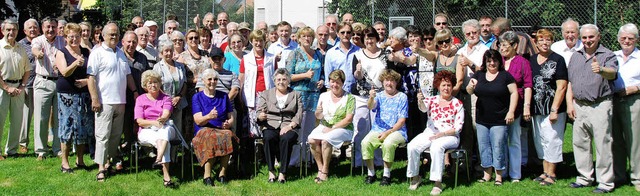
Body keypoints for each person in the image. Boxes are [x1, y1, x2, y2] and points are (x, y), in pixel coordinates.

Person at [566, 24, 618, 194]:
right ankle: (584, 178)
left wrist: (601, 70)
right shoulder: (576, 56)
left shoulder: (607, 54)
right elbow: (570, 83)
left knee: (603, 144)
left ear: (598, 37)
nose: (588, 40)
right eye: (585, 37)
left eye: (591, 37)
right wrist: (569, 104)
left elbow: (613, 73)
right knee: (580, 143)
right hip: (579, 105)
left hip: (600, 105)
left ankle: (605, 182)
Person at [87, 23, 138, 182]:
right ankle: (101, 168)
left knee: (115, 135)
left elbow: (128, 76)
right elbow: (91, 78)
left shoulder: (121, 54)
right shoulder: (97, 53)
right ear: (103, 35)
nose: (114, 37)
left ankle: (109, 159)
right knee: (102, 135)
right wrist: (95, 98)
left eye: (116, 34)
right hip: (104, 102)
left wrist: (135, 92)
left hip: (120, 101)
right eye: (111, 34)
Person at [466, 49, 518, 186]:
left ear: (499, 62)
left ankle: (499, 176)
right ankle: (487, 174)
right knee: (483, 147)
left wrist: (511, 111)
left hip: (499, 118)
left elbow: (514, 93)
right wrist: (471, 86)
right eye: (489, 61)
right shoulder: (479, 74)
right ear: (485, 62)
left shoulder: (505, 76)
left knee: (498, 146)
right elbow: (469, 91)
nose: (492, 63)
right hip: (482, 118)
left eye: (494, 60)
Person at [407, 70, 464, 195]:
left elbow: (458, 128)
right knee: (412, 146)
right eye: (443, 85)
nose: (446, 88)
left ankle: (437, 183)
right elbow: (422, 108)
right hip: (430, 133)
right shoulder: (431, 100)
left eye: (449, 85)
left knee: (437, 147)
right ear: (438, 86)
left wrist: (442, 134)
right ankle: (415, 177)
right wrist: (420, 100)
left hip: (450, 136)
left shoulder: (457, 104)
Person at [528, 29, 568, 186]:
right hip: (536, 107)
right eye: (541, 40)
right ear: (536, 43)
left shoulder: (558, 60)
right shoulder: (532, 60)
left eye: (547, 40)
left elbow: (562, 86)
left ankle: (552, 173)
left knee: (552, 139)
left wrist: (554, 109)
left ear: (552, 41)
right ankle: (544, 172)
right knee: (541, 140)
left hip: (552, 107)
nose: (544, 43)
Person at [55, 22, 93, 173]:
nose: (74, 39)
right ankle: (65, 162)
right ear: (65, 37)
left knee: (83, 126)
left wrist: (86, 82)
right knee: (67, 127)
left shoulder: (86, 51)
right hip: (67, 96)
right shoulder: (61, 52)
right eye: (71, 37)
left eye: (77, 36)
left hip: (83, 95)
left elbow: (92, 72)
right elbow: (64, 72)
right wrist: (76, 63)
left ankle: (80, 160)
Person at [285, 27, 324, 167]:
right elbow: (287, 76)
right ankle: (294, 160)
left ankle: (307, 159)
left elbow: (323, 72)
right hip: (298, 96)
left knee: (310, 129)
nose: (307, 38)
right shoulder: (294, 54)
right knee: (297, 129)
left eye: (309, 36)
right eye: (304, 36)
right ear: (299, 38)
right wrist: (304, 76)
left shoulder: (318, 55)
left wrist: (322, 81)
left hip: (314, 96)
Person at [308, 70, 355, 183]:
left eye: (337, 82)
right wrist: (318, 113)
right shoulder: (323, 96)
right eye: (332, 82)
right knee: (311, 140)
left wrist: (333, 128)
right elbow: (319, 116)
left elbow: (348, 119)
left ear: (342, 83)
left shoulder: (349, 98)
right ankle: (320, 167)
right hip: (324, 125)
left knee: (326, 140)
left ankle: (325, 171)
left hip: (343, 128)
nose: (334, 85)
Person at [362, 69, 408, 186]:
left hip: (397, 131)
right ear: (382, 82)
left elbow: (402, 120)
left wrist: (388, 132)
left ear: (396, 82)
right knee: (365, 142)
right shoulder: (379, 96)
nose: (389, 83)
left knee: (388, 143)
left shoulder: (402, 97)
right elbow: (370, 106)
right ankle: (371, 173)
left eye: (392, 81)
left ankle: (386, 175)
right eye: (387, 80)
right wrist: (371, 98)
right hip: (378, 129)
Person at [257, 68, 303, 183]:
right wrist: (260, 116)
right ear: (274, 81)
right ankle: (271, 171)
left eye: (284, 79)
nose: (281, 82)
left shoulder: (296, 95)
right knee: (268, 137)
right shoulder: (266, 94)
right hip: (270, 124)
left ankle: (283, 173)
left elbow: (299, 114)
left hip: (289, 125)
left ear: (288, 81)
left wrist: (290, 126)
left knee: (286, 139)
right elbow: (259, 111)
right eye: (278, 79)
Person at [498, 31, 533, 182]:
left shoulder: (522, 62)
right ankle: (502, 172)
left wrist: (526, 106)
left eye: (505, 45)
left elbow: (528, 85)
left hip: (516, 106)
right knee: (500, 140)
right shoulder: (497, 60)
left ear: (515, 46)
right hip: (498, 106)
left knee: (514, 139)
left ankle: (515, 174)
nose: (502, 48)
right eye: (501, 45)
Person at [191, 69, 236, 186]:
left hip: (221, 128)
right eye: (209, 79)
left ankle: (222, 174)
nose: (212, 82)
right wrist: (209, 116)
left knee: (227, 135)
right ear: (203, 81)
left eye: (215, 79)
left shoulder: (224, 96)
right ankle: (207, 175)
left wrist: (228, 124)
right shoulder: (197, 97)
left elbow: (231, 117)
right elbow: (198, 120)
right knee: (210, 138)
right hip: (204, 128)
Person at [134, 70, 178, 188]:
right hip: (146, 130)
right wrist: (153, 122)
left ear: (160, 83)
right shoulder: (140, 99)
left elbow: (166, 114)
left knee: (164, 132)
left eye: (155, 82)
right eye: (150, 83)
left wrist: (161, 120)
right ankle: (166, 177)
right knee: (165, 141)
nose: (153, 85)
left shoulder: (166, 98)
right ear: (145, 85)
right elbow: (139, 121)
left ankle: (158, 159)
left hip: (165, 126)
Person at [351, 26, 385, 167]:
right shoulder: (358, 55)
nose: (369, 41)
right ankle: (358, 162)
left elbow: (388, 74)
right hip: (361, 97)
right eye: (366, 38)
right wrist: (358, 71)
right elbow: (356, 76)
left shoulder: (384, 54)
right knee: (360, 129)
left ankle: (378, 161)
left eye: (371, 37)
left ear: (376, 39)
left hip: (380, 96)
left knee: (378, 129)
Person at [612, 23, 640, 192]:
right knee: (615, 140)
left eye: (630, 38)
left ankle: (637, 176)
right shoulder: (612, 56)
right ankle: (619, 175)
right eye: (623, 38)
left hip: (634, 100)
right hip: (614, 100)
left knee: (635, 140)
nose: (626, 41)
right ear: (618, 39)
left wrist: (635, 88)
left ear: (636, 39)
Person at [457, 19, 490, 161]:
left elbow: (486, 71)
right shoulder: (461, 51)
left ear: (479, 32)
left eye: (474, 32)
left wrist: (470, 63)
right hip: (462, 92)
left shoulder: (485, 50)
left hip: (478, 93)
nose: (471, 35)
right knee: (465, 127)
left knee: (478, 126)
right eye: (468, 33)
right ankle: (467, 159)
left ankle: (482, 160)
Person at [32, 17, 64, 160]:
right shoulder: (38, 40)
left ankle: (57, 148)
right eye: (47, 27)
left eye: (53, 27)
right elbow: (35, 49)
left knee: (59, 118)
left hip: (59, 82)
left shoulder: (62, 41)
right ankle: (41, 150)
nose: (50, 30)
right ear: (42, 28)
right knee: (41, 117)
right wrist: (38, 54)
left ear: (57, 27)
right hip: (43, 82)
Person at [0, 19, 31, 160]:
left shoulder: (21, 48)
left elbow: (27, 71)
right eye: (8, 29)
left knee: (17, 121)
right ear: (2, 31)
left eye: (14, 30)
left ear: (17, 31)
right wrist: (6, 87)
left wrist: (22, 86)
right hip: (2, 88)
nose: (11, 32)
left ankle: (11, 150)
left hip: (18, 88)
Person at [240, 29, 276, 137]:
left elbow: (275, 77)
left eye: (261, 41)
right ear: (251, 41)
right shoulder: (246, 59)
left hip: (267, 95)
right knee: (253, 126)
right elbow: (241, 79)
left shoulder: (272, 58)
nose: (258, 43)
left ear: (265, 41)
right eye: (256, 40)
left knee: (266, 124)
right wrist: (240, 97)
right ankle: (255, 151)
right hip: (252, 96)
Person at [121, 31, 150, 157]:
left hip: (140, 97)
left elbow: (148, 75)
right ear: (123, 42)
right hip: (123, 97)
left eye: (134, 42)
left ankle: (138, 150)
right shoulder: (118, 56)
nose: (131, 44)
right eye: (129, 42)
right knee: (124, 125)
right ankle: (124, 150)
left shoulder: (142, 57)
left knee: (138, 124)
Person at [153, 41, 188, 139]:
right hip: (163, 104)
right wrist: (168, 100)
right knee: (164, 130)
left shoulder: (180, 66)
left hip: (178, 103)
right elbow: (156, 86)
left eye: (171, 51)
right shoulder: (157, 67)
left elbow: (184, 83)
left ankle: (175, 153)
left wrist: (179, 97)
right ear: (161, 52)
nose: (169, 53)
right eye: (166, 51)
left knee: (177, 131)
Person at [18, 18, 39, 154]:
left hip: (42, 83)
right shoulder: (21, 45)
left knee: (41, 116)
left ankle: (40, 143)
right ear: (25, 31)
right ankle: (23, 143)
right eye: (30, 28)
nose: (33, 30)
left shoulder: (42, 42)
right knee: (27, 115)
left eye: (35, 27)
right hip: (29, 84)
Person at [324, 22, 359, 92]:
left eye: (348, 32)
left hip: (355, 91)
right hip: (337, 90)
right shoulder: (331, 53)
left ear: (352, 34)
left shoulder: (358, 51)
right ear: (337, 34)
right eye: (342, 32)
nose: (345, 35)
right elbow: (328, 76)